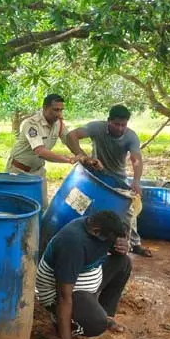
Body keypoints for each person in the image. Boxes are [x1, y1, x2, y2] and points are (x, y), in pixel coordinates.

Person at [36, 210, 132, 339]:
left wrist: (123, 247)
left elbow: (114, 244)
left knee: (123, 263)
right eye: (110, 239)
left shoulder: (99, 227)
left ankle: (107, 315)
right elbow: (64, 296)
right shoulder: (73, 244)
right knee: (96, 325)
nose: (112, 242)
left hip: (85, 280)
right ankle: (61, 322)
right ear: (95, 231)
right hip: (59, 294)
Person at [68, 105, 152, 257]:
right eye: (117, 124)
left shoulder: (131, 136)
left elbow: (136, 159)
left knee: (128, 211)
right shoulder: (96, 128)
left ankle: (134, 243)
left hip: (118, 179)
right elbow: (71, 135)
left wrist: (137, 181)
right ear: (108, 121)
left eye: (124, 125)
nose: (120, 128)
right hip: (94, 174)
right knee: (82, 204)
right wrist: (84, 156)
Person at [6, 94, 83, 209]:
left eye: (61, 110)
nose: (59, 114)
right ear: (45, 108)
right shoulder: (31, 124)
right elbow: (40, 151)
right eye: (55, 110)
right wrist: (68, 160)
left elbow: (69, 141)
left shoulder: (59, 123)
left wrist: (83, 156)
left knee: (42, 207)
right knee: (16, 208)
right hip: (18, 172)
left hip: (38, 172)